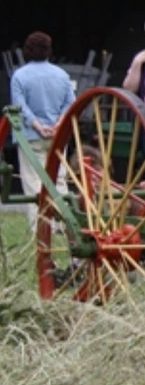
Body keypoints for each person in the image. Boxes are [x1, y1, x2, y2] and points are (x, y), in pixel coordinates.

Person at [9, 32, 73, 237]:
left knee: (33, 183)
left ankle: (41, 228)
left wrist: (37, 125)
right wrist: (57, 125)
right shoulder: (61, 75)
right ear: (49, 51)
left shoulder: (19, 76)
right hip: (57, 134)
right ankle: (64, 226)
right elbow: (70, 104)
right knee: (59, 180)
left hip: (31, 136)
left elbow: (20, 107)